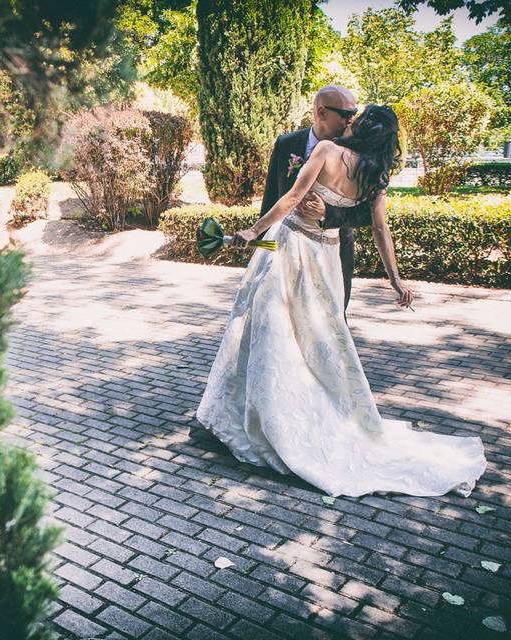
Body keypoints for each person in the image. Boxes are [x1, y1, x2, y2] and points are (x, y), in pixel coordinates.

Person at [196, 105, 486, 497]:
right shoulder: (374, 176)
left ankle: (268, 420)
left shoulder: (328, 151)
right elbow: (381, 229)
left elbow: (292, 198)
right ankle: (274, 410)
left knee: (272, 330)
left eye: (356, 116)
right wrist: (395, 280)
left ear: (361, 126)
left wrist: (252, 230)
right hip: (326, 257)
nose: (350, 118)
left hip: (293, 248)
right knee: (319, 337)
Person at [260, 85, 378, 310]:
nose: (352, 121)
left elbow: (369, 215)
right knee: (279, 315)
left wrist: (328, 213)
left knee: (330, 320)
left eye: (355, 114)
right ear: (322, 112)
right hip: (286, 250)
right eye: (346, 114)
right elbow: (272, 196)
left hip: (332, 252)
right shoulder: (286, 144)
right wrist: (262, 247)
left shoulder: (359, 154)